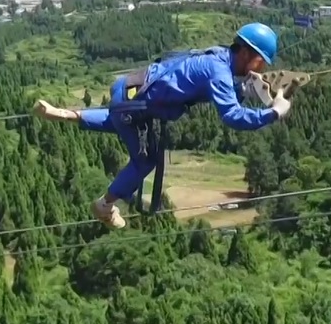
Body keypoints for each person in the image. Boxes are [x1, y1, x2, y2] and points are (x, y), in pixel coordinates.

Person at [32, 22, 293, 229]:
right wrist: (274, 113)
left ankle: (68, 114)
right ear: (247, 53)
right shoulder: (219, 72)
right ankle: (105, 206)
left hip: (127, 88)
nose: (259, 67)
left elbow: (212, 89)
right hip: (133, 108)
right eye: (260, 60)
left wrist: (242, 89)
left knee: (121, 120)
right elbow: (232, 117)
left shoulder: (216, 55)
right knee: (145, 161)